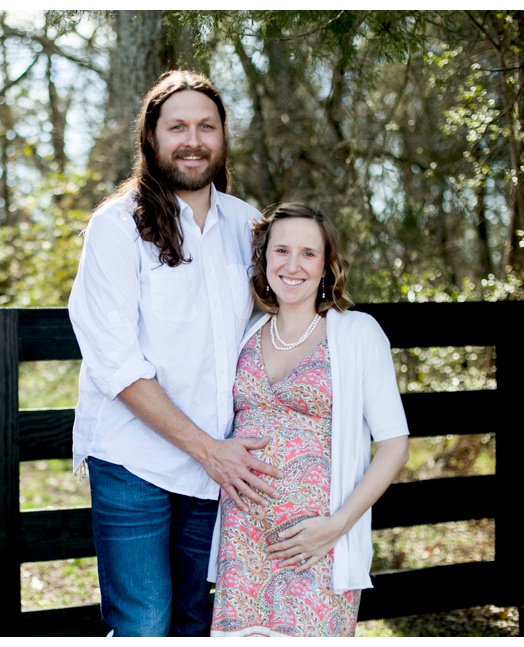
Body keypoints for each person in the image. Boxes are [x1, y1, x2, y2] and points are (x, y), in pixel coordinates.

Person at [68, 70, 284, 637]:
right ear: (151, 138)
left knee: (200, 621)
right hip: (134, 459)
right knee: (144, 623)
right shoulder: (116, 228)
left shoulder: (247, 224)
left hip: (219, 465)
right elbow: (116, 363)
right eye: (178, 126)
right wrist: (209, 451)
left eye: (206, 126)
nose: (193, 140)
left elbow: (278, 327)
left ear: (222, 137)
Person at [209, 202, 410, 637]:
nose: (293, 265)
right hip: (241, 539)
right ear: (264, 261)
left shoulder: (357, 333)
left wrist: (337, 526)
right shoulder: (243, 333)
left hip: (317, 542)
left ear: (326, 265)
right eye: (281, 251)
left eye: (308, 253)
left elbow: (395, 446)